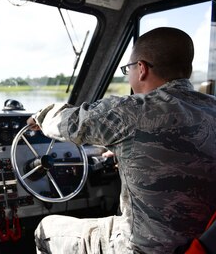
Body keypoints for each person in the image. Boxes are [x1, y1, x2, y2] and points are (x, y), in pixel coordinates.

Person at [27, 27, 216, 253]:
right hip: (203, 241)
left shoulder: (133, 111)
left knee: (46, 230)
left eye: (128, 68)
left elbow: (70, 124)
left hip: (142, 248)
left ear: (142, 69)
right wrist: (125, 152)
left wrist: (42, 114)